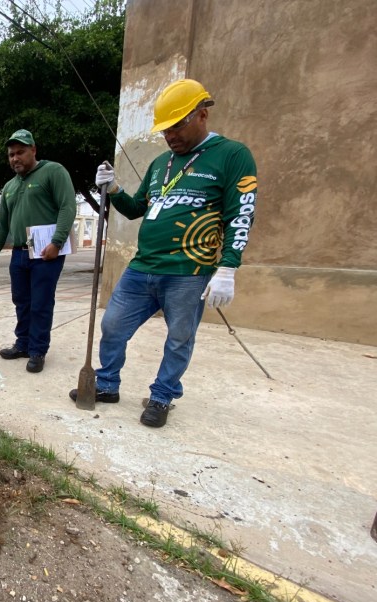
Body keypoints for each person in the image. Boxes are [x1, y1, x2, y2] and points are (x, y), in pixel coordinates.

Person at [69, 79, 258, 428]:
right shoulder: (161, 164)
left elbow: (240, 214)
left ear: (202, 114)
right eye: (165, 130)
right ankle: (107, 384)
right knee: (112, 326)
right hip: (142, 267)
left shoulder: (232, 156)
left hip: (190, 271)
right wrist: (113, 188)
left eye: (176, 126)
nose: (170, 136)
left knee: (179, 338)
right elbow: (135, 208)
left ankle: (162, 396)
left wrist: (228, 267)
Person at [0, 129, 77, 373]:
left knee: (41, 303)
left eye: (20, 152)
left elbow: (67, 207)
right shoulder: (9, 187)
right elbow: (2, 224)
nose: (15, 158)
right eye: (11, 155)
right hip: (19, 252)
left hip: (46, 253)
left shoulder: (53, 172)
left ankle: (38, 350)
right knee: (22, 301)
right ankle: (23, 344)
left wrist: (57, 243)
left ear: (33, 150)